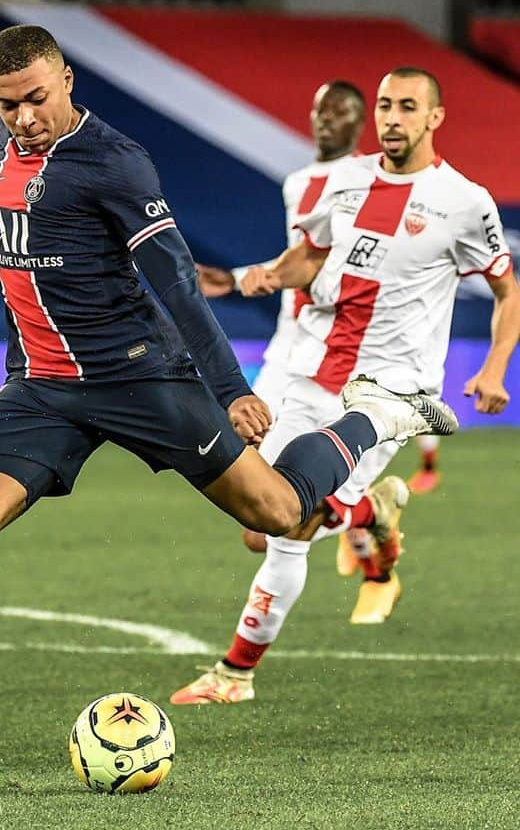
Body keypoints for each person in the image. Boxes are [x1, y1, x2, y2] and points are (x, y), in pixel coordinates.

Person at [0, 27, 454, 758]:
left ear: (68, 81)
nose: (23, 118)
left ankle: (381, 415)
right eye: (8, 104)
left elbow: (175, 280)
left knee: (276, 513)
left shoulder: (114, 162)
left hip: (142, 378)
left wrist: (230, 388)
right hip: (41, 388)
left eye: (37, 99)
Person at [171, 66, 519, 704]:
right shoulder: (349, 181)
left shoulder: (464, 202)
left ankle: (236, 673)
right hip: (311, 370)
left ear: (435, 118)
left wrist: (495, 367)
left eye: (407, 107)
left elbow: (505, 288)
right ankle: (369, 512)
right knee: (260, 520)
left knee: (290, 528)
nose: (393, 117)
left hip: (388, 396)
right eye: (386, 104)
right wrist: (251, 277)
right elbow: (310, 254)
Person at [197, 82, 387, 585]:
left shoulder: (374, 179)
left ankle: (364, 524)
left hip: (336, 354)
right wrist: (236, 278)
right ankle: (367, 521)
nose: (327, 119)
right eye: (320, 109)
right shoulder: (297, 182)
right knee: (254, 508)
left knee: (266, 528)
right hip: (286, 348)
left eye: (340, 111)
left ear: (360, 121)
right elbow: (298, 259)